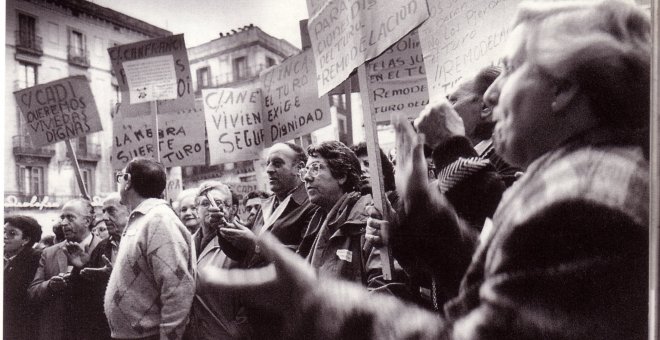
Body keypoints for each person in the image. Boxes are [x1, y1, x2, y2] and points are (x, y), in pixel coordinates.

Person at [200, 1, 650, 339]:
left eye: (511, 70)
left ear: (565, 88)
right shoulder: (569, 177)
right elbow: (498, 289)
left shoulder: (583, 199)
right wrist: (427, 220)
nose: (490, 98)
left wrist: (317, 302)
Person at [105, 157, 195, 340]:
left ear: (128, 181)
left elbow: (177, 288)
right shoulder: (144, 219)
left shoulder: (159, 220)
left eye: (120, 177)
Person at [416, 66, 520, 186]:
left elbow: (481, 201)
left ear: (485, 107)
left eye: (453, 101)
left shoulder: (512, 159)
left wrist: (451, 145)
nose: (445, 109)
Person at [297, 140, 382, 285]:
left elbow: (384, 287)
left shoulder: (370, 218)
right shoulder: (316, 222)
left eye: (315, 168)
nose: (306, 177)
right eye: (305, 170)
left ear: (342, 176)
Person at [184, 181, 251, 340]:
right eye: (205, 203)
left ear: (232, 209)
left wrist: (238, 330)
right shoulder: (186, 244)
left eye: (219, 203)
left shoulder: (241, 240)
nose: (211, 208)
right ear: (196, 210)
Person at [28, 198, 102, 340]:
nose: (63, 223)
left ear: (87, 221)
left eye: (70, 217)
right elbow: (32, 292)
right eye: (62, 217)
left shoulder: (104, 248)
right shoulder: (50, 253)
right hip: (59, 332)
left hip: (94, 331)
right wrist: (50, 285)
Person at [78, 193, 131, 340]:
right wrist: (81, 267)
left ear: (130, 211)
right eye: (104, 212)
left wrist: (116, 276)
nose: (105, 217)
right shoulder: (102, 247)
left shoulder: (142, 242)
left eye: (111, 211)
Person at [4, 215, 43, 340]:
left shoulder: (35, 259)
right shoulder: (6, 258)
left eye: (12, 233)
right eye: (3, 231)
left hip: (22, 328)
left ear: (25, 239)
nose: (4, 237)